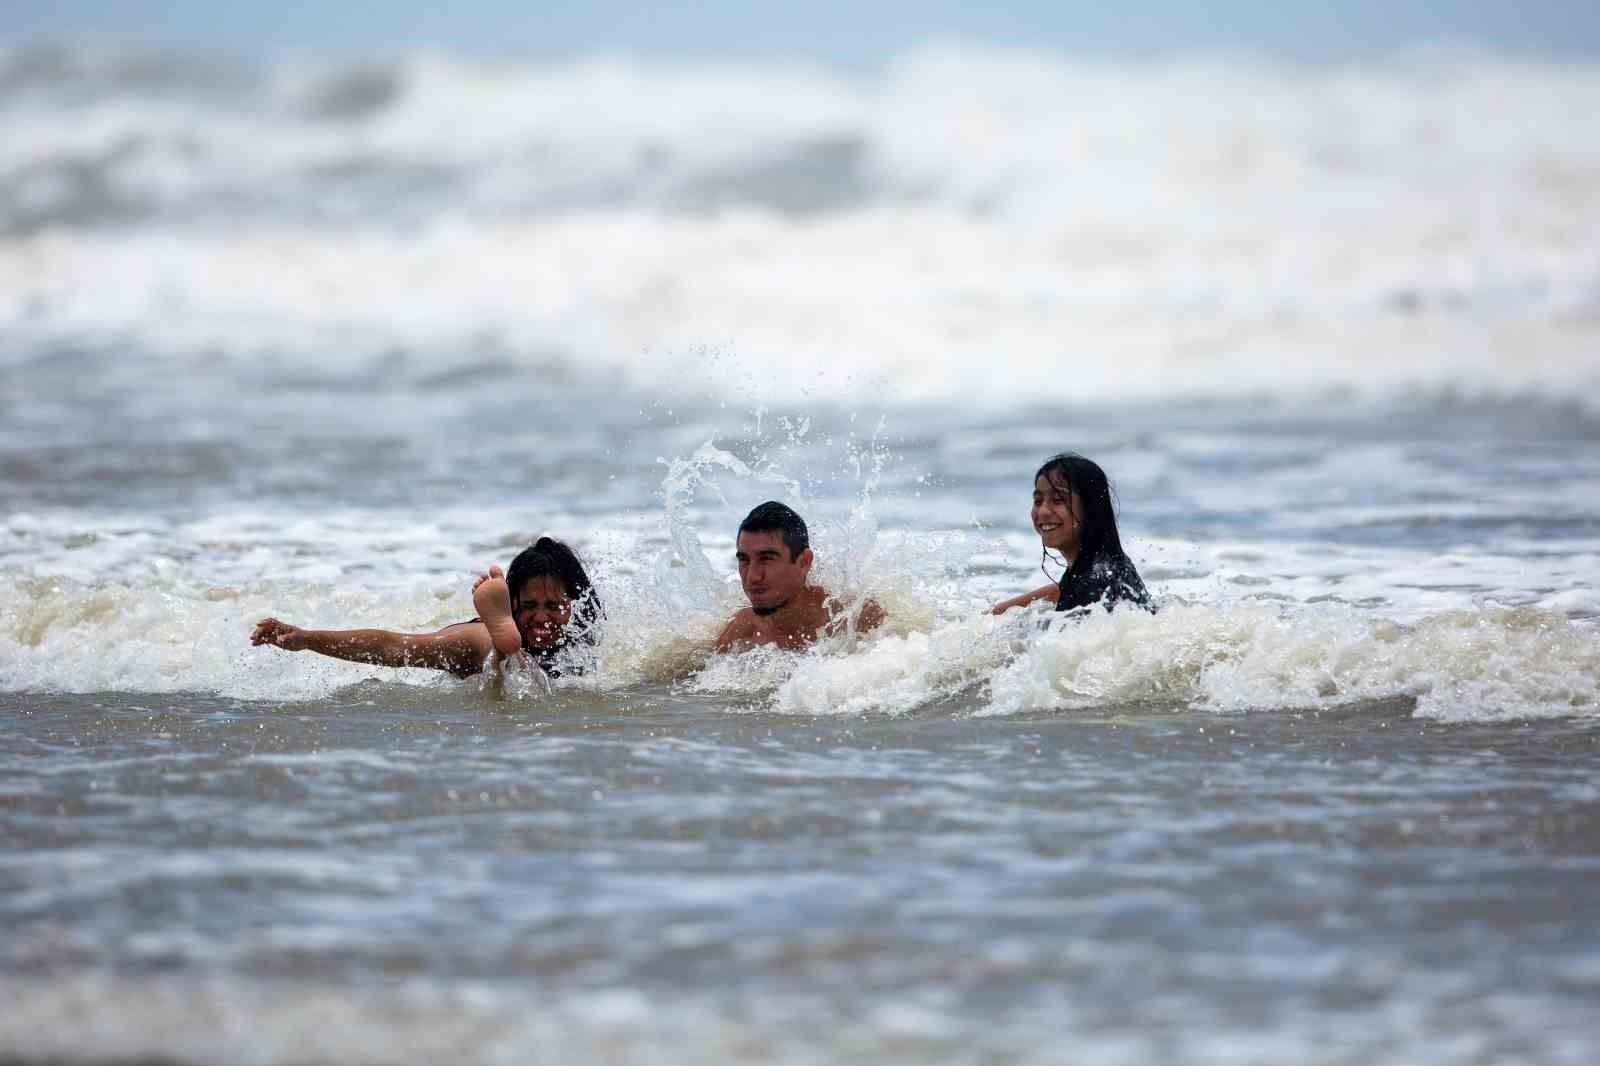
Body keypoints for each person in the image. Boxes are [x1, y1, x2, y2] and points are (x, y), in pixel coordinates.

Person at [250, 537, 602, 678]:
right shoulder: (472, 639)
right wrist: (309, 638)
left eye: (553, 606)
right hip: (487, 648)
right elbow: (394, 646)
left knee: (534, 680)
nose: (541, 617)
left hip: (521, 660)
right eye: (529, 606)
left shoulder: (586, 639)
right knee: (507, 663)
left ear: (575, 604)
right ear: (510, 605)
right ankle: (504, 647)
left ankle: (508, 650)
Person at [989, 453, 1153, 616]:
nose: (1043, 511)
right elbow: (1061, 590)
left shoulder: (1095, 584)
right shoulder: (1107, 566)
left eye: (1058, 500)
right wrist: (1000, 611)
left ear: (1090, 508)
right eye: (1038, 501)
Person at [713, 501, 884, 653]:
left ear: (804, 562)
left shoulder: (855, 618)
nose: (752, 577)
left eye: (766, 559)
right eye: (744, 560)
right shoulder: (740, 634)